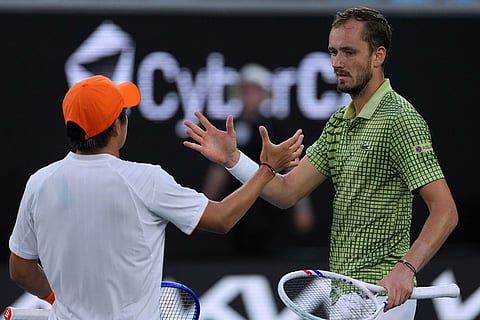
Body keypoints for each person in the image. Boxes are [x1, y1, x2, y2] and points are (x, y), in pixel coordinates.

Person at [183, 7, 458, 319]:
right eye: (333, 52)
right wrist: (233, 159)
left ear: (378, 56)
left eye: (349, 52)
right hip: (344, 295)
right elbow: (286, 192)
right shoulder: (339, 123)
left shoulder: (401, 119)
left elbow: (446, 211)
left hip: (385, 298)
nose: (337, 63)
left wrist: (405, 269)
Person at [8, 74, 304, 320]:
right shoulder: (146, 180)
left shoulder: (39, 183)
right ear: (117, 126)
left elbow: (20, 270)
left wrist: (56, 299)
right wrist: (267, 169)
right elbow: (223, 218)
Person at [201, 63, 315, 256]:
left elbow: (291, 167)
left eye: (255, 91)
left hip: (270, 205)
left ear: (264, 94)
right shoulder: (231, 127)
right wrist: (205, 203)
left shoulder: (276, 128)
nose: (250, 96)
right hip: (238, 203)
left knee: (271, 253)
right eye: (246, 91)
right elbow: (219, 168)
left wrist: (302, 207)